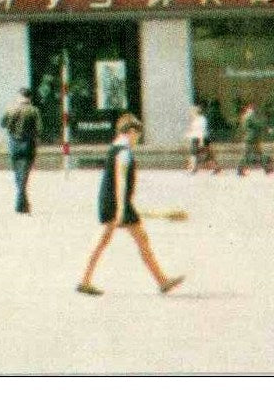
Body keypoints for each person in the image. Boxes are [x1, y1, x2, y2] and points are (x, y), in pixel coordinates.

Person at [76, 114, 184, 297]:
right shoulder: (124, 152)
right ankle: (162, 281)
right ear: (131, 132)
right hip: (118, 203)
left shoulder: (115, 148)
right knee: (133, 240)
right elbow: (121, 181)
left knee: (117, 240)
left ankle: (85, 280)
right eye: (137, 136)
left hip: (112, 201)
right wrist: (120, 211)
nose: (137, 140)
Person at [2, 89, 41, 213]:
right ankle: (21, 204)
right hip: (28, 144)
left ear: (19, 96)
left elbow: (2, 123)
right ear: (29, 98)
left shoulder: (10, 109)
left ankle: (22, 204)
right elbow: (40, 128)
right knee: (24, 175)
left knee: (17, 174)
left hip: (14, 144)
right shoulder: (34, 110)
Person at [235, 103, 273, 176]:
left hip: (250, 137)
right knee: (249, 154)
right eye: (253, 109)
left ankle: (267, 169)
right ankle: (240, 169)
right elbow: (258, 124)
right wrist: (267, 128)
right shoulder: (250, 116)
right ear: (251, 109)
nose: (254, 110)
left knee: (258, 153)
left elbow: (244, 128)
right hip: (252, 138)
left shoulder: (244, 116)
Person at [185, 105, 221, 175]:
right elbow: (193, 130)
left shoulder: (201, 120)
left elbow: (201, 131)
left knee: (203, 155)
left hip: (201, 139)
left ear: (196, 112)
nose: (190, 113)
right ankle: (194, 169)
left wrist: (201, 141)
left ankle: (216, 168)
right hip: (196, 139)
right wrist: (188, 135)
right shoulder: (195, 119)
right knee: (196, 155)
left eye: (192, 112)